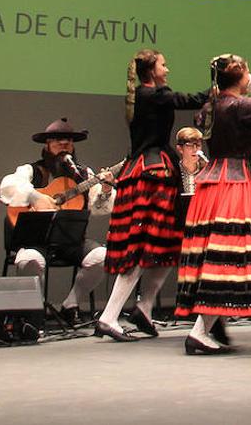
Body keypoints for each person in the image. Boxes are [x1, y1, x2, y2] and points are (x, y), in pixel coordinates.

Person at [177, 55, 251, 354]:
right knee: (228, 254)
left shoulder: (208, 108)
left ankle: (209, 327)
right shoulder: (240, 106)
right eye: (247, 71)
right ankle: (200, 331)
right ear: (240, 76)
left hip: (211, 182)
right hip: (235, 182)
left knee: (212, 252)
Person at [96, 50, 209, 342]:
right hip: (151, 177)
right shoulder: (154, 95)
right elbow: (190, 100)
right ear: (151, 70)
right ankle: (108, 317)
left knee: (168, 244)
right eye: (163, 65)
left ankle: (144, 308)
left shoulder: (141, 95)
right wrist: (218, 85)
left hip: (148, 170)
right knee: (141, 247)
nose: (167, 69)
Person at [0, 118, 115, 323]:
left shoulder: (83, 174)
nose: (64, 146)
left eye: (68, 143)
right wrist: (35, 196)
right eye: (58, 142)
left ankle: (70, 304)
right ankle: (34, 311)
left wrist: (105, 189)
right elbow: (8, 186)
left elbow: (98, 208)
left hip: (70, 240)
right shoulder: (31, 170)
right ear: (47, 146)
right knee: (29, 260)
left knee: (102, 257)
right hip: (35, 240)